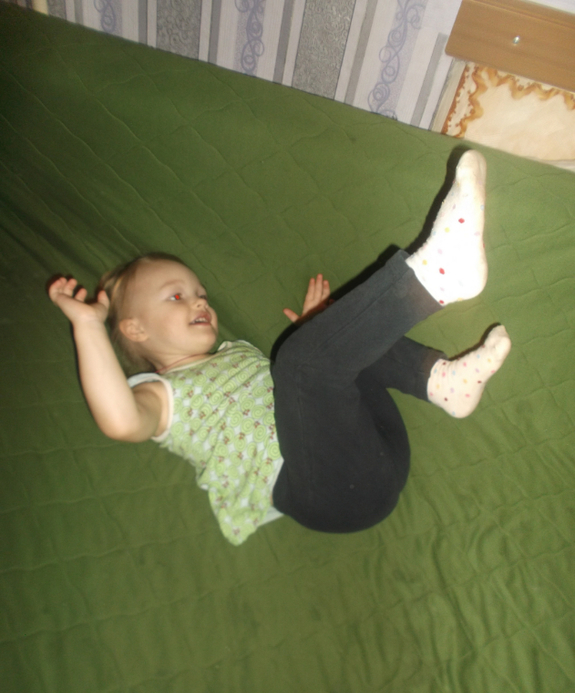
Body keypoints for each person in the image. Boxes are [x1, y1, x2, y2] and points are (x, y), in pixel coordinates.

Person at [49, 150, 511, 545]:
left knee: (335, 337)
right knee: (299, 364)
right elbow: (121, 420)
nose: (199, 301)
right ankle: (437, 276)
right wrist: (88, 326)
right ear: (135, 330)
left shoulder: (234, 355)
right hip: (331, 493)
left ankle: (437, 381)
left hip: (375, 444)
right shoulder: (161, 396)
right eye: (176, 296)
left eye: (200, 292)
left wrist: (319, 327)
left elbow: (317, 402)